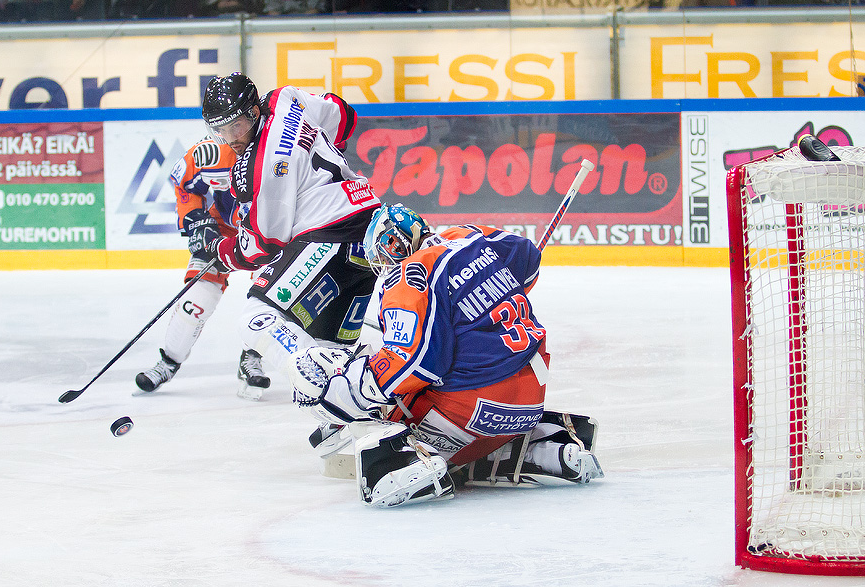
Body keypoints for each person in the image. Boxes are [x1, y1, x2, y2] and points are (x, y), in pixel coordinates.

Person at [289, 203, 604, 508]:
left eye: (382, 258)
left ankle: (405, 461)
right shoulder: (470, 236)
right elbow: (527, 257)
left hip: (473, 409)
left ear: (391, 246)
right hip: (529, 401)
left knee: (383, 397)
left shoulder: (407, 276)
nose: (384, 268)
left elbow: (414, 363)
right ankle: (535, 445)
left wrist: (344, 393)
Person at [191, 72, 379, 403]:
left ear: (252, 112)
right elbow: (343, 115)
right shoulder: (285, 98)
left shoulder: (259, 167)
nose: (231, 137)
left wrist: (221, 249)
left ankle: (312, 368)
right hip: (368, 230)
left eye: (236, 126)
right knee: (334, 346)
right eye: (220, 130)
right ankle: (349, 416)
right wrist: (308, 149)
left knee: (255, 319)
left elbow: (265, 244)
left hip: (328, 235)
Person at [135, 134, 271, 400]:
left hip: (269, 233)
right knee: (196, 299)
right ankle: (170, 361)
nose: (234, 134)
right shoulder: (212, 152)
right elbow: (184, 182)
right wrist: (196, 219)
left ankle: (252, 356)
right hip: (223, 231)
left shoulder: (277, 148)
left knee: (271, 301)